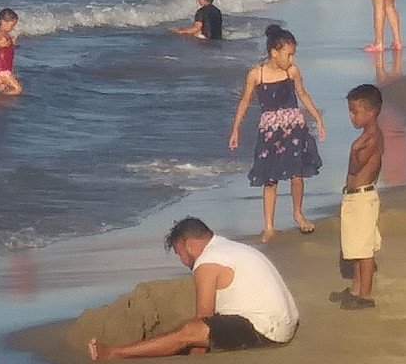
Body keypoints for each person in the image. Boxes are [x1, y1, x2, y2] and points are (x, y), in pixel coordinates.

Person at [87, 216, 299, 359]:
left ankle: (113, 353)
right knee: (192, 329)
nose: (182, 261)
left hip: (268, 330)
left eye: (179, 253)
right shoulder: (230, 247)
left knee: (190, 329)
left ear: (188, 244)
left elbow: (202, 320)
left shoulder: (207, 261)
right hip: (282, 321)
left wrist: (194, 355)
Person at [229, 25, 325, 241]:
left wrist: (317, 118)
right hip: (270, 131)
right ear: (274, 52)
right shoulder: (257, 74)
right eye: (288, 54)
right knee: (269, 178)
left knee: (297, 174)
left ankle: (298, 213)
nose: (291, 59)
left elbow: (302, 94)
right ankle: (269, 226)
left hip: (294, 126)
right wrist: (236, 129)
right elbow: (244, 102)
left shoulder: (292, 72)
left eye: (293, 55)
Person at [329, 83, 384, 310]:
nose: (352, 117)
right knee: (356, 247)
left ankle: (364, 294)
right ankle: (355, 288)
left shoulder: (370, 139)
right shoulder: (367, 136)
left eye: (355, 112)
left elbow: (355, 168)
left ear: (371, 112)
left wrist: (353, 150)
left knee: (363, 250)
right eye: (350, 111)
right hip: (355, 197)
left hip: (362, 197)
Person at [0, 8, 23, 95]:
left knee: (1, 90)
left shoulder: (7, 35)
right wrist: (0, 45)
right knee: (18, 89)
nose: (13, 28)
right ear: (4, 22)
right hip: (1, 67)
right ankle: (0, 96)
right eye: (12, 25)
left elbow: (7, 50)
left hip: (2, 66)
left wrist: (12, 44)